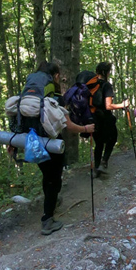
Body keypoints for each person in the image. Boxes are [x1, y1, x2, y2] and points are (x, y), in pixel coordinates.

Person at [23, 60, 95, 235]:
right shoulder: (55, 98)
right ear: (55, 76)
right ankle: (47, 219)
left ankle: (52, 202)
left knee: (47, 176)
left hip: (32, 142)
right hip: (52, 145)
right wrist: (86, 129)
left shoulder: (29, 97)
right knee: (54, 179)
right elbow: (68, 125)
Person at [92, 61, 129, 177]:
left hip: (93, 118)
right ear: (107, 72)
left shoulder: (92, 84)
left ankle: (96, 167)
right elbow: (108, 106)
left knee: (98, 143)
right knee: (112, 139)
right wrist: (122, 105)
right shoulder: (106, 85)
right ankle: (104, 162)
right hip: (105, 118)